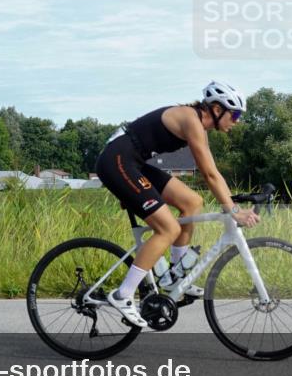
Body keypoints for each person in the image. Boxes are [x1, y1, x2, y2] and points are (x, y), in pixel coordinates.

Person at [94, 80, 260, 328]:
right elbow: (209, 175)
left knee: (192, 201)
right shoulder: (191, 120)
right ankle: (123, 294)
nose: (236, 121)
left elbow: (214, 172)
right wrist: (234, 211)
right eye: (234, 115)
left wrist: (233, 202)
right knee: (168, 229)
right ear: (217, 109)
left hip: (133, 163)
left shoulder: (198, 126)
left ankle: (174, 276)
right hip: (116, 161)